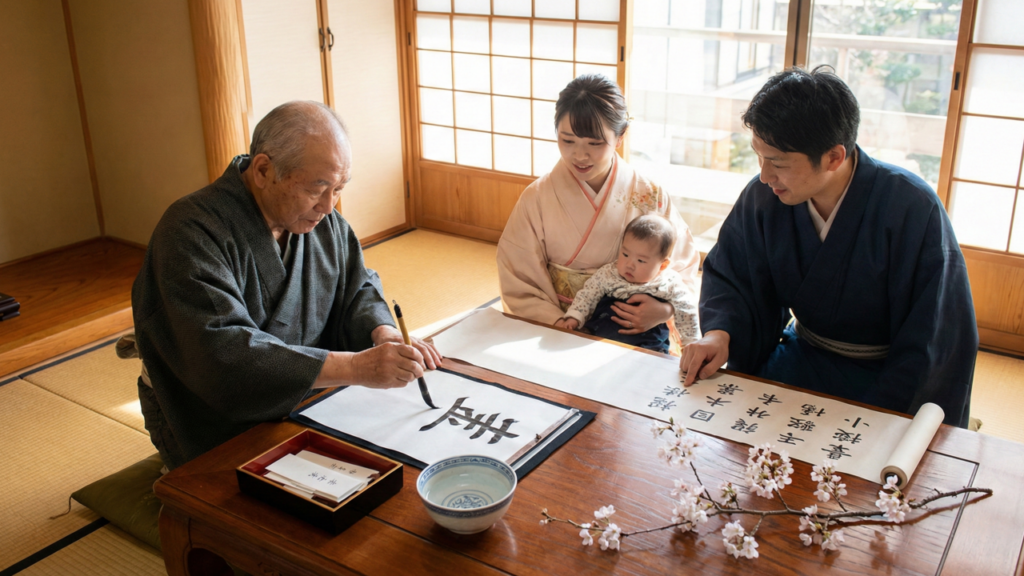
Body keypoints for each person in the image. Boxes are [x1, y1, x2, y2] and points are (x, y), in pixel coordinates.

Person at [132, 101, 441, 469]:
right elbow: (223, 355)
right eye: (317, 188)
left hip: (304, 399)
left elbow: (356, 286)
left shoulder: (320, 220)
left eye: (339, 188)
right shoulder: (190, 233)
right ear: (263, 169)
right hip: (209, 416)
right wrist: (358, 368)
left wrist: (383, 332)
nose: (329, 206)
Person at [680, 66, 977, 427]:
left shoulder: (912, 208)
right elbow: (735, 277)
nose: (764, 175)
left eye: (777, 162)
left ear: (834, 157)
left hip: (887, 379)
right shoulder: (765, 196)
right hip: (801, 357)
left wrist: (887, 418)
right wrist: (718, 336)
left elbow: (934, 339)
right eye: (759, 156)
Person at [498, 74, 700, 342]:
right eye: (567, 140)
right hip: (562, 324)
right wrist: (560, 323)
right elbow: (518, 277)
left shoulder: (649, 195)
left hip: (636, 327)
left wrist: (665, 309)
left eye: (594, 143)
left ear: (620, 137)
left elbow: (681, 266)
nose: (580, 155)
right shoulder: (537, 197)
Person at [555, 214, 699, 353]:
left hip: (647, 343)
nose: (630, 264)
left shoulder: (669, 282)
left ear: (662, 265)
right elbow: (588, 295)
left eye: (641, 261)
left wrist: (690, 342)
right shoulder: (609, 273)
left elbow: (686, 309)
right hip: (599, 334)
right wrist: (574, 317)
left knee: (652, 362)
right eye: (625, 254)